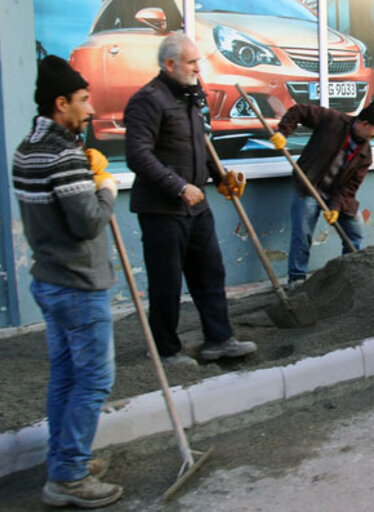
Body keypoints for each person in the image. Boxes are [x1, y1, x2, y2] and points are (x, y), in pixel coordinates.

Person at [13, 55, 123, 508]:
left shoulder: (26, 148)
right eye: (82, 100)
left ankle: (63, 460)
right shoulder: (64, 156)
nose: (90, 108)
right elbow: (89, 222)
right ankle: (69, 475)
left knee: (65, 376)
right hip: (79, 286)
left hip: (49, 280)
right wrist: (106, 185)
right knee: (94, 380)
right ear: (60, 103)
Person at [124, 33, 255, 366]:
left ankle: (219, 340)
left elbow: (199, 147)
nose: (199, 68)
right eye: (192, 62)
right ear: (170, 65)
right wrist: (178, 186)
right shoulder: (148, 100)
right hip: (162, 209)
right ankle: (166, 351)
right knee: (166, 284)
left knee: (210, 273)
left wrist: (219, 176)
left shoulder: (190, 100)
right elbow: (137, 155)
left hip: (197, 207)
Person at [269, 100, 374, 287]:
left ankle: (350, 274)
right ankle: (297, 279)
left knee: (355, 232)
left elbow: (350, 187)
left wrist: (335, 207)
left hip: (336, 195)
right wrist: (282, 132)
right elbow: (299, 110)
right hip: (309, 185)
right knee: (303, 234)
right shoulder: (333, 121)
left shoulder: (365, 154)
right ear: (365, 124)